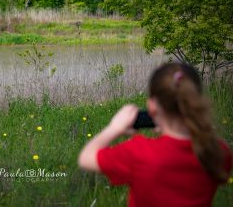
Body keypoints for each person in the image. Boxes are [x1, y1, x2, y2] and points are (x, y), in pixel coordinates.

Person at [78, 62, 232, 207]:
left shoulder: (139, 152)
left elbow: (86, 158)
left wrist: (114, 127)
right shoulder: (219, 152)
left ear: (152, 107)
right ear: (196, 100)